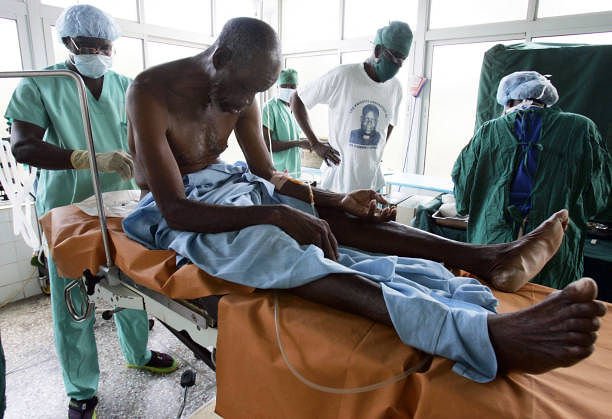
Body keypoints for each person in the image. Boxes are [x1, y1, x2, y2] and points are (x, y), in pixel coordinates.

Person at [123, 17, 605, 386]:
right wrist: (277, 214)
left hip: (234, 185)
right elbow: (176, 209)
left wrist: (335, 200)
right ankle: (477, 335)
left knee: (333, 217)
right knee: (273, 242)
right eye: (245, 88)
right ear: (222, 55)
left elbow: (267, 174)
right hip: (177, 208)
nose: (247, 101)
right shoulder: (152, 92)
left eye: (257, 92)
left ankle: (484, 258)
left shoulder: (241, 88)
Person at [4, 5, 177, 418]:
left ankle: (138, 353)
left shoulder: (126, 86)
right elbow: (23, 146)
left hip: (122, 205)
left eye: (105, 46)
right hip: (68, 210)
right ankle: (81, 389)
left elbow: (149, 141)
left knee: (131, 285)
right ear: (68, 42)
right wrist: (85, 158)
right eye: (88, 45)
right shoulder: (42, 83)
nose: (98, 53)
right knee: (73, 299)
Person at [452, 71, 612, 291]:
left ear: (509, 101)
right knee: (545, 301)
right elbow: (597, 196)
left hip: (493, 240)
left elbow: (463, 197)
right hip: (552, 245)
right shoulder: (581, 128)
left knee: (487, 301)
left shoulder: (489, 131)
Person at [290, 21, 411, 193]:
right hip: (338, 182)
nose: (399, 65)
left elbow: (389, 122)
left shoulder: (395, 88)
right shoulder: (344, 76)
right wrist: (315, 143)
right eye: (395, 57)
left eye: (403, 59)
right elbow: (297, 99)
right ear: (378, 51)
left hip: (371, 181)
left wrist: (376, 151)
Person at [262, 69, 310, 178]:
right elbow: (267, 144)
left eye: (292, 87)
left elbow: (293, 136)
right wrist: (298, 143)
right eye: (284, 86)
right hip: (277, 171)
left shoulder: (295, 109)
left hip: (294, 169)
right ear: (277, 87)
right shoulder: (270, 107)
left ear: (297, 88)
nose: (288, 89)